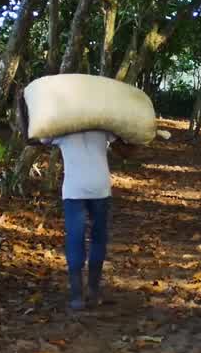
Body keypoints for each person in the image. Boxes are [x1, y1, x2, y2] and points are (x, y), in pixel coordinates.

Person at [31, 129, 130, 310]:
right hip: (100, 187)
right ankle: (93, 291)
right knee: (98, 238)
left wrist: (22, 106)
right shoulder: (102, 125)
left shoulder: (62, 126)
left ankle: (77, 296)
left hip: (73, 190)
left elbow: (32, 138)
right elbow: (125, 152)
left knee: (74, 238)